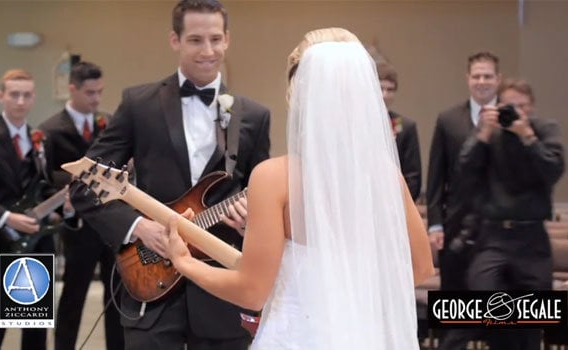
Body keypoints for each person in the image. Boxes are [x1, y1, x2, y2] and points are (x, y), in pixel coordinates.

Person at [164, 27, 435, 349]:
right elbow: (419, 269)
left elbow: (251, 291)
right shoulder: (387, 176)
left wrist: (184, 262)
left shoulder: (274, 178)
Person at [69, 1, 271, 349]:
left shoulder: (255, 115)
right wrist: (139, 228)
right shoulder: (139, 104)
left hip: (222, 294)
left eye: (215, 39)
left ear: (227, 40)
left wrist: (250, 222)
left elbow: (261, 199)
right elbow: (85, 183)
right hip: (150, 284)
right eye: (195, 40)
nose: (207, 51)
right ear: (175, 40)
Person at [460, 78, 565, 350]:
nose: (516, 112)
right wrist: (482, 134)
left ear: (532, 108)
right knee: (484, 293)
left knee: (531, 318)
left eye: (522, 106)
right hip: (494, 236)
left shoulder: (544, 129)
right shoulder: (489, 133)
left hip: (532, 237)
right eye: (509, 106)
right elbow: (465, 172)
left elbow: (553, 170)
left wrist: (527, 135)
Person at [39, 61, 124, 350]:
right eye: (90, 93)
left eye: (100, 92)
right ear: (71, 89)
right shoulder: (49, 131)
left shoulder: (108, 123)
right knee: (73, 296)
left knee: (116, 297)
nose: (96, 99)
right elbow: (43, 179)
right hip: (78, 228)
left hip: (111, 224)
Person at [425, 51, 501, 349]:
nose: (482, 81)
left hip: (499, 229)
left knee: (500, 311)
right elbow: (435, 177)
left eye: (488, 76)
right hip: (456, 227)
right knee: (455, 308)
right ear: (467, 79)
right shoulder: (448, 119)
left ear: (498, 79)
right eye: (477, 76)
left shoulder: (510, 119)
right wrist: (435, 224)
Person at [0, 69, 54, 350]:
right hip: (1, 242)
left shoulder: (39, 139)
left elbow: (43, 184)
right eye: (14, 94)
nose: (20, 101)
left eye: (26, 95)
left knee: (35, 325)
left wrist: (63, 204)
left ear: (34, 98)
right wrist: (7, 218)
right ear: (2, 96)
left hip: (37, 242)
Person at [376, 62, 422, 200]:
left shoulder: (405, 126)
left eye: (390, 90)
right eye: (380, 88)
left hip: (395, 203)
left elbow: (413, 176)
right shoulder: (355, 124)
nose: (384, 95)